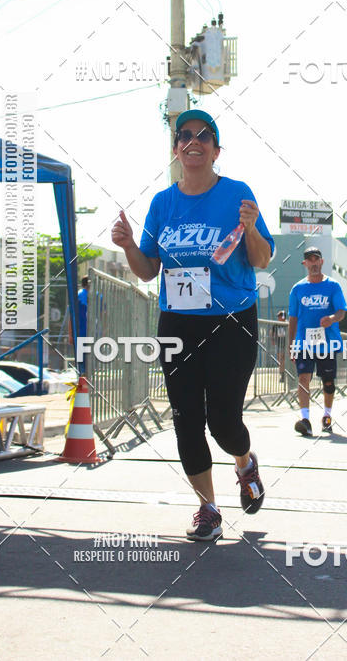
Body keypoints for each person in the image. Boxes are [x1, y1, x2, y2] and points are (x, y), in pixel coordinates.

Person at [112, 110, 274, 541]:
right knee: (186, 418)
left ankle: (244, 462)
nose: (194, 140)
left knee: (223, 420)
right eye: (185, 135)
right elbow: (147, 271)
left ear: (216, 150)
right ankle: (208, 509)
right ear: (176, 149)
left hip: (231, 320)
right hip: (178, 321)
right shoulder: (163, 203)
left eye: (205, 135)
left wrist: (251, 228)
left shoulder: (238, 195)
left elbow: (260, 260)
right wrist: (129, 245)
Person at [288, 247, 347, 435]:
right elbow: (293, 319)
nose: (313, 263)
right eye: (309, 260)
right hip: (304, 343)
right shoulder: (297, 289)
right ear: (305, 264)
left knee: (328, 382)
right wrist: (291, 345)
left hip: (327, 343)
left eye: (316, 259)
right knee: (303, 378)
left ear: (322, 262)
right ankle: (305, 419)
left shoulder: (333, 286)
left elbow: (341, 311)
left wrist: (331, 318)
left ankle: (327, 415)